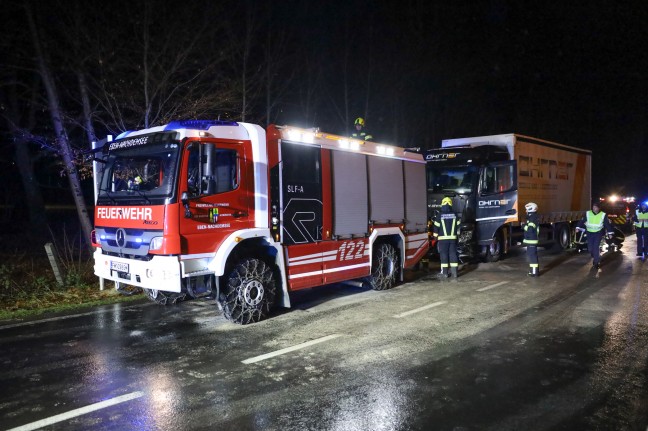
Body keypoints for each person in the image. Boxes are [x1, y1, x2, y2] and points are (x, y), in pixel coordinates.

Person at [576, 201, 614, 269]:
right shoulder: (588, 213)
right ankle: (596, 256)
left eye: (595, 207)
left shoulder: (603, 214)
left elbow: (607, 224)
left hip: (598, 233)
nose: (594, 208)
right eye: (593, 207)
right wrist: (578, 227)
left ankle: (596, 262)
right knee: (590, 249)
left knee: (595, 247)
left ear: (599, 208)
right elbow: (582, 220)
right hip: (589, 233)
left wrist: (610, 233)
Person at [433, 197, 459, 278]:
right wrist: (457, 236)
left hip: (443, 240)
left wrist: (435, 236)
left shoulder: (439, 215)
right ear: (451, 204)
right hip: (453, 239)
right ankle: (454, 273)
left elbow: (436, 227)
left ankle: (445, 273)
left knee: (444, 255)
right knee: (453, 254)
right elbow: (458, 227)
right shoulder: (455, 215)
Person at [523, 202, 540, 277]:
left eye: (526, 210)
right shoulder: (533, 217)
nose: (526, 211)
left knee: (532, 257)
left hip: (531, 240)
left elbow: (530, 230)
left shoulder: (532, 218)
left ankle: (534, 273)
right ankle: (532, 271)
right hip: (532, 240)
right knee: (532, 256)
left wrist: (523, 226)